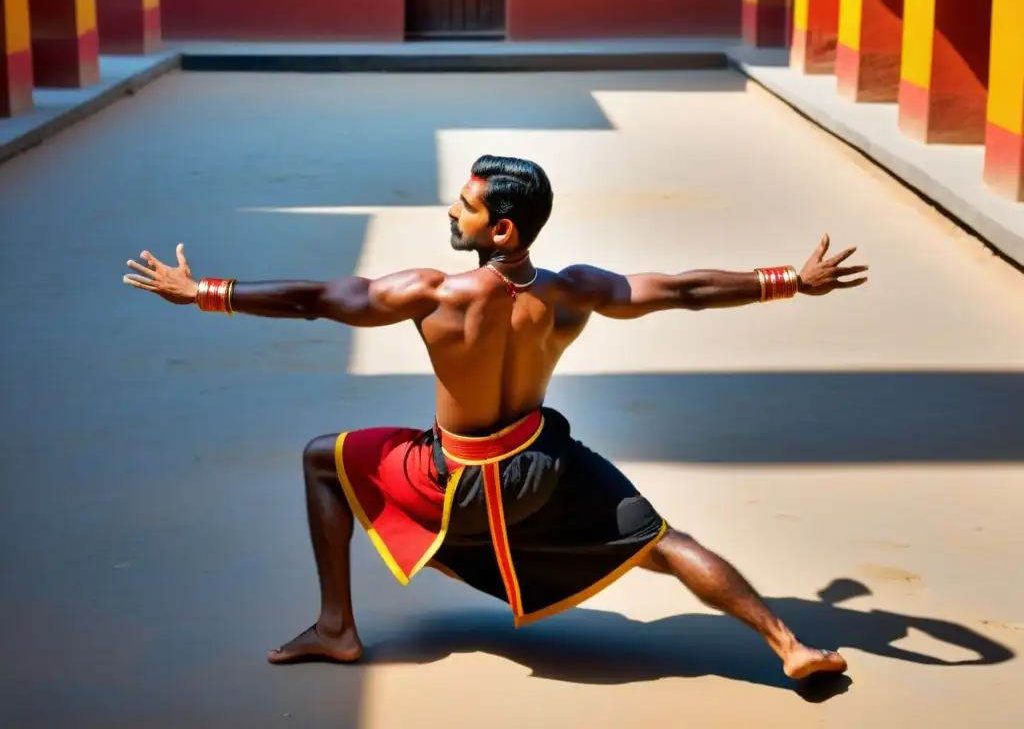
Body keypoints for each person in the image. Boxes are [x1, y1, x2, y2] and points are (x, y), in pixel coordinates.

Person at [123, 154, 867, 681]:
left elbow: (313, 299)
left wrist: (206, 292)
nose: (452, 210)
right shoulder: (574, 290)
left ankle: (335, 628)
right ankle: (788, 643)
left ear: (502, 229)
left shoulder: (434, 293)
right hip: (546, 470)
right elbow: (681, 290)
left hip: (456, 483)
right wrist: (788, 282)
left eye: (466, 204)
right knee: (666, 543)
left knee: (325, 455)